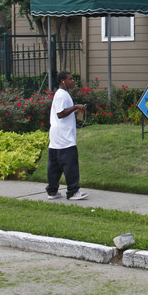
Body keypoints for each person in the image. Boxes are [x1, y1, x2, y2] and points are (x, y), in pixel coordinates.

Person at [45, 71, 88, 201]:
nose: (73, 81)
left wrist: (74, 110)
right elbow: (60, 114)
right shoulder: (62, 95)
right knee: (70, 165)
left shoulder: (61, 94)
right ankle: (73, 192)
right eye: (70, 79)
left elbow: (62, 112)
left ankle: (52, 191)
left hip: (56, 138)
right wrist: (75, 106)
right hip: (65, 138)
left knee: (55, 167)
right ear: (63, 81)